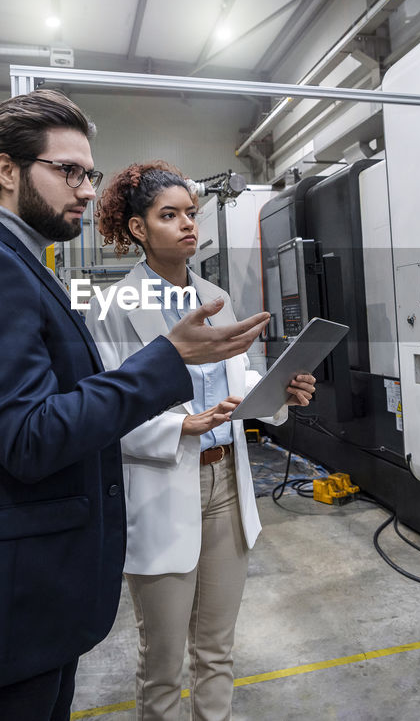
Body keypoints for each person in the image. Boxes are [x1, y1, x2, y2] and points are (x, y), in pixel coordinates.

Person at [0, 92, 270, 721]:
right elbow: (28, 435)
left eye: (89, 174)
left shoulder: (27, 266)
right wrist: (167, 363)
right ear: (6, 170)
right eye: (68, 171)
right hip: (7, 596)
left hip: (40, 590)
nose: (83, 189)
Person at [87, 161, 316, 721]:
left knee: (216, 650)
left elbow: (240, 382)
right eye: (170, 215)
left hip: (227, 482)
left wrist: (281, 392)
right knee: (162, 662)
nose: (188, 224)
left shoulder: (214, 295)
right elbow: (99, 410)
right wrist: (178, 426)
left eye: (191, 213)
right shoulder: (113, 308)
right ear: (138, 229)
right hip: (165, 482)